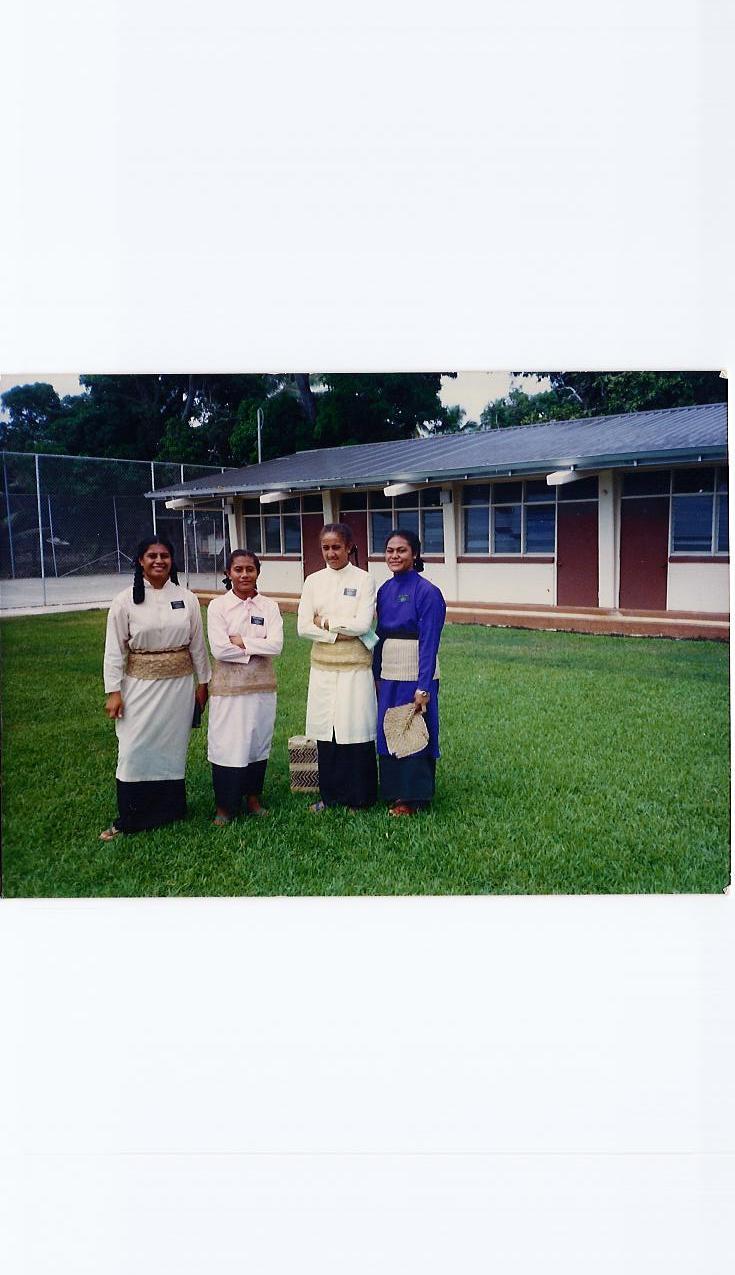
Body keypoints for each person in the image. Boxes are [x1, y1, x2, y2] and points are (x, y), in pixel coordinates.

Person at [101, 536, 211, 840]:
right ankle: (131, 817)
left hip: (178, 688)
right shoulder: (124, 601)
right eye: (152, 555)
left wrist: (203, 683)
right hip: (139, 688)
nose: (159, 561)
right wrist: (114, 691)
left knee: (171, 750)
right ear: (140, 561)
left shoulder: (186, 598)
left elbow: (198, 645)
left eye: (165, 555)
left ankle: (170, 810)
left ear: (172, 560)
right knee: (134, 748)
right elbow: (114, 650)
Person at [297, 522, 378, 811]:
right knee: (326, 732)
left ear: (349, 547)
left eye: (337, 547)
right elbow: (303, 627)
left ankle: (360, 798)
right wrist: (338, 633)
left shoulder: (364, 580)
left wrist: (327, 622)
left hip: (354, 668)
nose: (331, 553)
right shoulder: (313, 581)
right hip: (323, 668)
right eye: (326, 548)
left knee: (354, 729)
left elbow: (363, 625)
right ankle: (330, 797)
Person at [206, 550, 284, 824]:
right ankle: (224, 807)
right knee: (228, 744)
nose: (244, 574)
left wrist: (241, 641)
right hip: (229, 688)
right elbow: (219, 650)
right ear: (228, 573)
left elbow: (276, 646)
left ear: (257, 572)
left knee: (256, 742)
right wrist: (254, 647)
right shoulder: (218, 607)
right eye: (238, 569)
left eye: (249, 569)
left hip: (262, 686)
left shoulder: (269, 607)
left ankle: (253, 799)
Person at [374, 529, 446, 815]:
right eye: (390, 550)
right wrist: (376, 674)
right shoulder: (384, 590)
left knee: (415, 728)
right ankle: (393, 791)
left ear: (414, 554)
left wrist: (424, 685)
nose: (394, 556)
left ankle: (413, 798)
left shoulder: (427, 591)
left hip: (417, 670)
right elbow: (378, 636)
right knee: (391, 727)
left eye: (401, 550)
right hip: (389, 670)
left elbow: (430, 641)